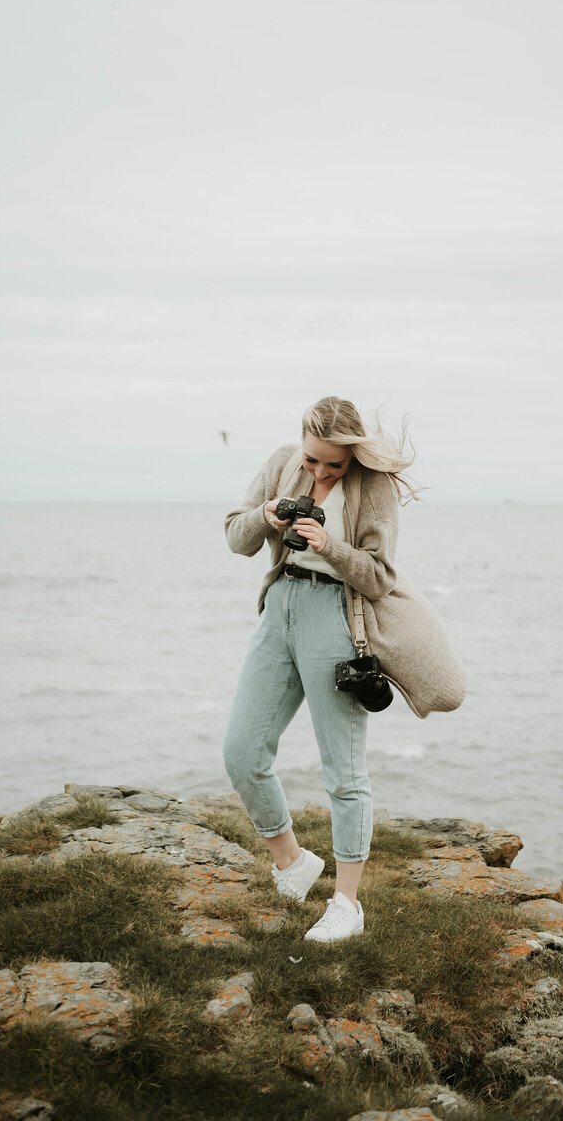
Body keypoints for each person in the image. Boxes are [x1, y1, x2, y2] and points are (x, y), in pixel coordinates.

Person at [222, 396, 418, 943]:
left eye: (334, 464)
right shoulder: (285, 462)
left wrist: (329, 544)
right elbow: (236, 537)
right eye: (315, 460)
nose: (321, 471)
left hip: (335, 616)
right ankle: (291, 862)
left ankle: (347, 904)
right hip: (278, 609)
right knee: (241, 751)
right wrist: (266, 514)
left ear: (352, 454)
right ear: (302, 443)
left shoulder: (372, 485)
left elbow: (379, 577)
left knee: (344, 770)